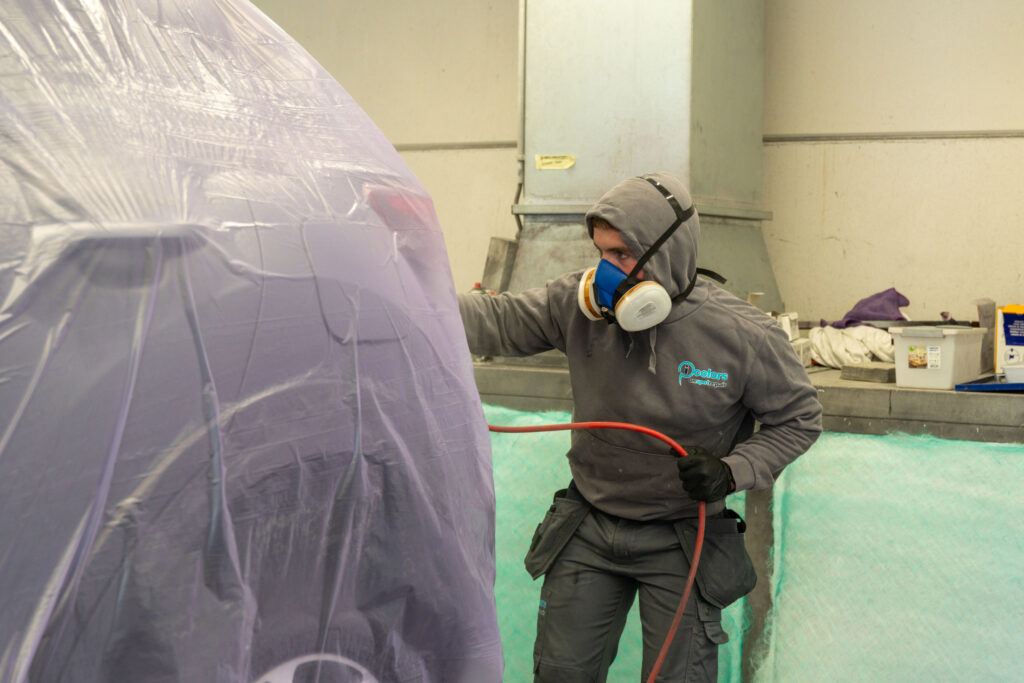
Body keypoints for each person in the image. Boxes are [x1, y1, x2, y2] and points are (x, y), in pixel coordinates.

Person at [458, 172, 822, 682]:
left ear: (667, 253)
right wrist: (414, 300)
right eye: (601, 252)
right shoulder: (579, 307)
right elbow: (498, 320)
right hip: (589, 522)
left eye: (622, 254)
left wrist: (732, 471)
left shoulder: (743, 336)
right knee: (561, 674)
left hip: (682, 536)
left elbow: (800, 420)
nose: (605, 271)